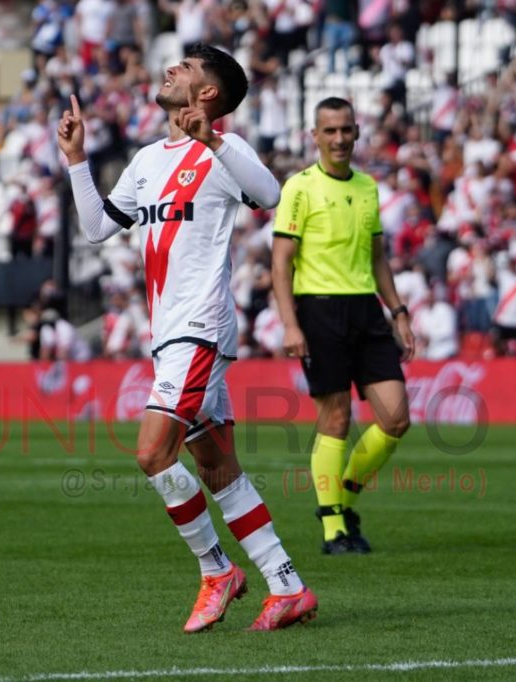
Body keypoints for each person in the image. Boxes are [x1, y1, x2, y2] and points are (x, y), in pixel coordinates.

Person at [58, 44, 317, 632]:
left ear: (207, 94)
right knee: (217, 464)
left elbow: (270, 196)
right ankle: (287, 585)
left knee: (152, 452)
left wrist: (215, 140)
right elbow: (98, 227)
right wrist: (76, 160)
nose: (171, 68)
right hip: (168, 333)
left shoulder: (225, 150)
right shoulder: (149, 159)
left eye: (188, 68)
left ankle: (216, 569)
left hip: (201, 326)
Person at [271, 96, 414, 555]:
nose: (338, 139)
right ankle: (334, 528)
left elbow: (377, 257)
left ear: (356, 132)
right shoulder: (299, 187)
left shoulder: (369, 187)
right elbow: (280, 263)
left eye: (345, 130)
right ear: (314, 136)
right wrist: (291, 325)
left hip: (367, 310)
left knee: (395, 419)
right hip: (319, 309)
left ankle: (345, 497)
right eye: (329, 131)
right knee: (335, 419)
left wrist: (399, 311)